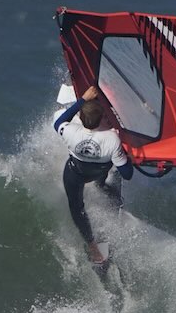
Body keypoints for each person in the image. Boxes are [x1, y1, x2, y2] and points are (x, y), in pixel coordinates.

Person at [52, 83, 134, 274]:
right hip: (99, 172)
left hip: (75, 174)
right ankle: (114, 215)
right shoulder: (112, 139)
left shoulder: (70, 131)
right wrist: (127, 156)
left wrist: (82, 100)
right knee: (109, 183)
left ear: (80, 118)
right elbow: (127, 174)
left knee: (76, 206)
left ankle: (92, 247)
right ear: (103, 118)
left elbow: (60, 120)